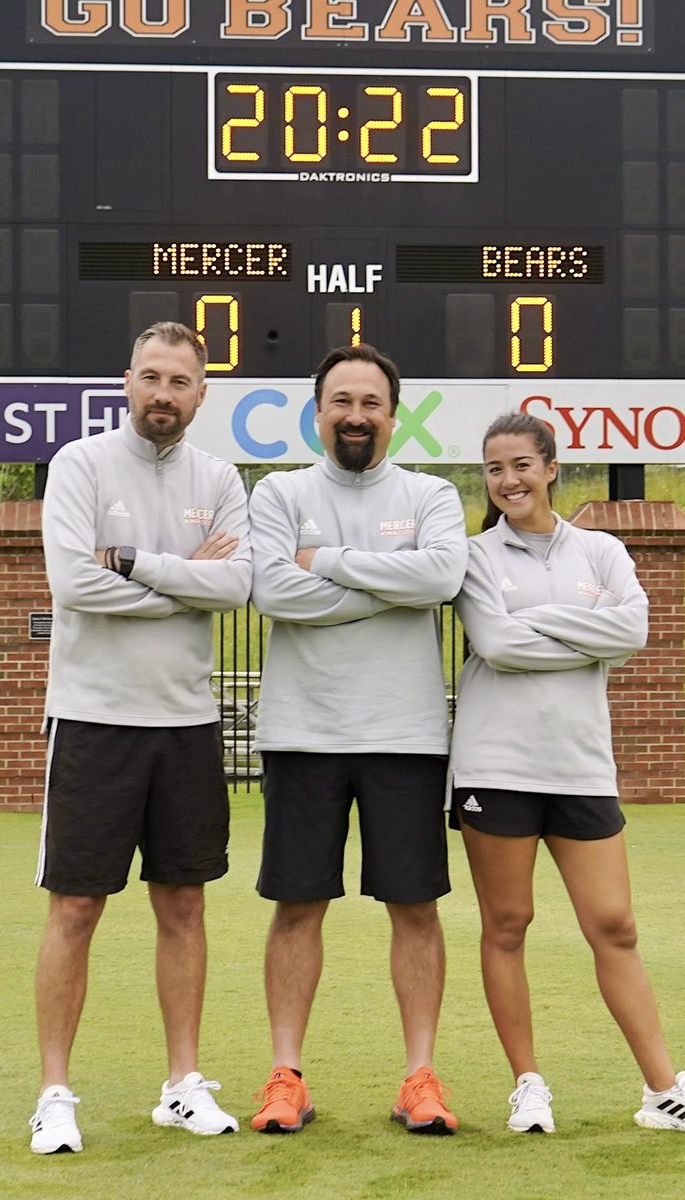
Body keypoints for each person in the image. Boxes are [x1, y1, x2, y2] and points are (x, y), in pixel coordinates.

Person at [448, 410, 685, 1136]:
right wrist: (585, 629)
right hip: (496, 766)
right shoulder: (474, 556)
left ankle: (662, 1091)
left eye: (521, 464)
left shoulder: (603, 549)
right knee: (507, 924)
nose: (508, 480)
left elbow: (632, 630)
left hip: (580, 769)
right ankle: (528, 1086)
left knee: (615, 925)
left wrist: (535, 619)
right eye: (494, 468)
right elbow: (496, 644)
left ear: (552, 468)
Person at [29, 321, 251, 1153]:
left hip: (185, 723)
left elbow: (237, 585)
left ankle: (181, 1086)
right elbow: (73, 584)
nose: (164, 394)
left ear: (201, 393)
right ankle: (55, 1093)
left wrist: (135, 562)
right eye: (151, 377)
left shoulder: (220, 478)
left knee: (184, 904)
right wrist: (189, 576)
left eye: (179, 381)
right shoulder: (80, 465)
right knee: (76, 907)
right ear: (127, 381)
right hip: (93, 719)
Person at [247, 343, 468, 1135]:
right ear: (317, 413)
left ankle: (419, 1077)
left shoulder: (432, 493)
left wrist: (329, 563)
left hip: (405, 735)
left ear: (393, 415)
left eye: (371, 402)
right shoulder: (279, 492)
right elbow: (274, 590)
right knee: (296, 907)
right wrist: (390, 582)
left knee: (415, 908)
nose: (355, 415)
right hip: (302, 732)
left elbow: (442, 578)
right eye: (341, 400)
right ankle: (285, 1077)